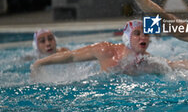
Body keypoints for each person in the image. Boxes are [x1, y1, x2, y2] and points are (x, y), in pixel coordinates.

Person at [31, 20, 169, 75]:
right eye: (137, 34)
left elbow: (172, 66)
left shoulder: (147, 61)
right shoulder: (105, 50)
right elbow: (72, 56)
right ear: (127, 38)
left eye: (146, 34)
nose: (143, 37)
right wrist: (39, 63)